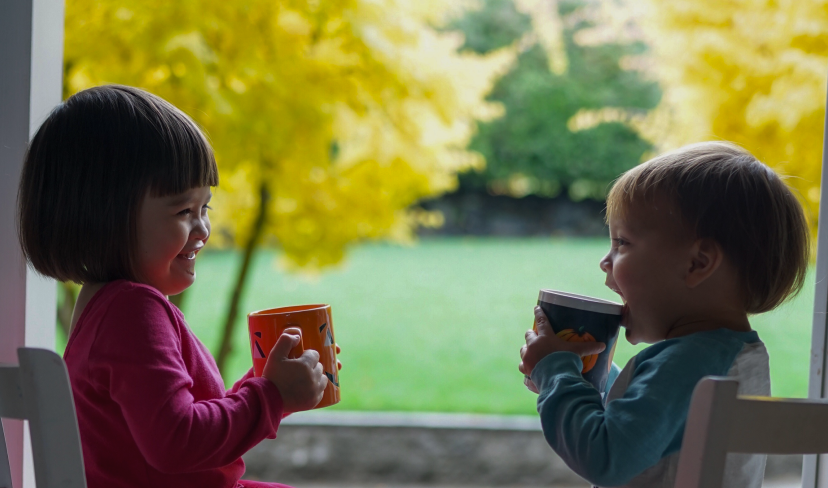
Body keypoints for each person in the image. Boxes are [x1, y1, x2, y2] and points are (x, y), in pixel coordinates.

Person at [16, 84, 329, 488]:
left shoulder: (102, 305)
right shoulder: (132, 310)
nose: (202, 230)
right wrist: (272, 395)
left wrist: (268, 384)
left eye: (205, 208)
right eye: (184, 210)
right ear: (104, 215)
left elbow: (185, 419)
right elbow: (178, 441)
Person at [519, 141, 810, 488]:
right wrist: (588, 374)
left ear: (697, 263)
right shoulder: (728, 355)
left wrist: (555, 375)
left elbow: (605, 457)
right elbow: (654, 419)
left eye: (622, 243)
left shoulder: (687, 364)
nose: (604, 262)